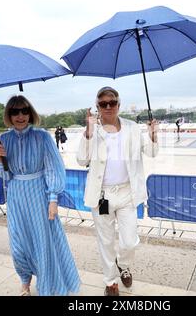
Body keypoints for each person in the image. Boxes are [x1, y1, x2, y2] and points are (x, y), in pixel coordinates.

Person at [0, 95, 80, 296]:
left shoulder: (42, 137)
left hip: (39, 195)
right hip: (16, 196)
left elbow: (53, 168)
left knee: (43, 241)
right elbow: (7, 176)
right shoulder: (4, 140)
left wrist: (53, 199)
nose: (20, 116)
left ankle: (47, 282)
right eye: (15, 112)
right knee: (18, 242)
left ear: (30, 113)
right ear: (9, 115)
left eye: (24, 110)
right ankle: (25, 280)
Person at [76, 86, 158, 296]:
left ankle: (124, 264)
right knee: (105, 240)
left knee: (129, 241)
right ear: (97, 107)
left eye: (112, 103)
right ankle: (110, 281)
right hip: (102, 194)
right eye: (103, 104)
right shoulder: (92, 131)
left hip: (127, 193)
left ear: (119, 105)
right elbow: (81, 159)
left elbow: (152, 152)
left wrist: (153, 135)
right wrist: (88, 132)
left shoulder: (132, 128)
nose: (108, 107)